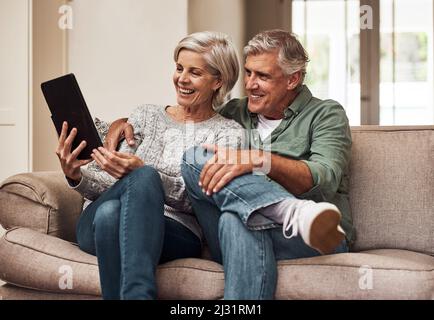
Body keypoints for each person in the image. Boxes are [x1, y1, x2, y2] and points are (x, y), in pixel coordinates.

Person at [106, 29, 353, 299]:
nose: (250, 84)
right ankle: (287, 209)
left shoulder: (325, 114)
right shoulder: (235, 112)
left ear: (293, 79)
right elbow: (186, 115)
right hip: (224, 231)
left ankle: (295, 215)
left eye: (263, 76)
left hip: (312, 235)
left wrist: (261, 160)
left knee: (237, 219)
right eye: (248, 73)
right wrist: (124, 123)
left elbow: (325, 178)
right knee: (195, 157)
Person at [55, 31, 244, 300]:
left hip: (176, 231)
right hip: (92, 224)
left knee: (118, 207)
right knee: (120, 198)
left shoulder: (228, 134)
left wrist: (146, 173)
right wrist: (75, 176)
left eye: (195, 72)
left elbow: (206, 199)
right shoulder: (145, 115)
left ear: (219, 81)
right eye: (179, 68)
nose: (182, 79)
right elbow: (103, 184)